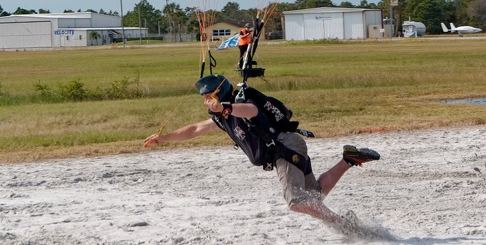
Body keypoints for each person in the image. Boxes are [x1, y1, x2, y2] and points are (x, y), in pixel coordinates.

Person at [143, 74, 379, 226]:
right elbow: (193, 129)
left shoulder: (240, 106)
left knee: (296, 201)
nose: (206, 102)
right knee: (314, 194)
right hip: (288, 147)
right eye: (204, 98)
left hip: (284, 148)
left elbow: (249, 111)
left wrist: (224, 106)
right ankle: (348, 160)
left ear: (220, 94)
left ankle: (342, 223)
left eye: (209, 97)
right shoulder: (221, 120)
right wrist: (162, 138)